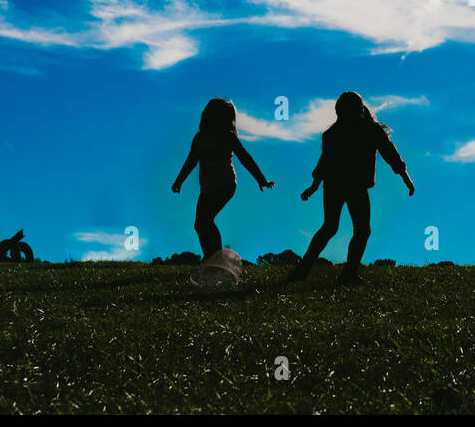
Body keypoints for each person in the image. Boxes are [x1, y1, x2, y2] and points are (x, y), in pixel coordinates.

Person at [290, 91, 414, 286]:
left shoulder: (347, 133)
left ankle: (311, 270)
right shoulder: (355, 132)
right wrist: (314, 186)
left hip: (336, 186)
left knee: (333, 227)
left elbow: (390, 154)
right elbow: (325, 162)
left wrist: (406, 178)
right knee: (358, 230)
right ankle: (343, 272)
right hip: (348, 186)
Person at [170, 98, 274, 261]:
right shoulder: (199, 138)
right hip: (207, 188)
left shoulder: (228, 136)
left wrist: (261, 179)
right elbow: (190, 162)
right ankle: (212, 257)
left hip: (225, 185)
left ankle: (215, 259)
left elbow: (245, 158)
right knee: (200, 224)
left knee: (206, 220)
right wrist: (179, 181)